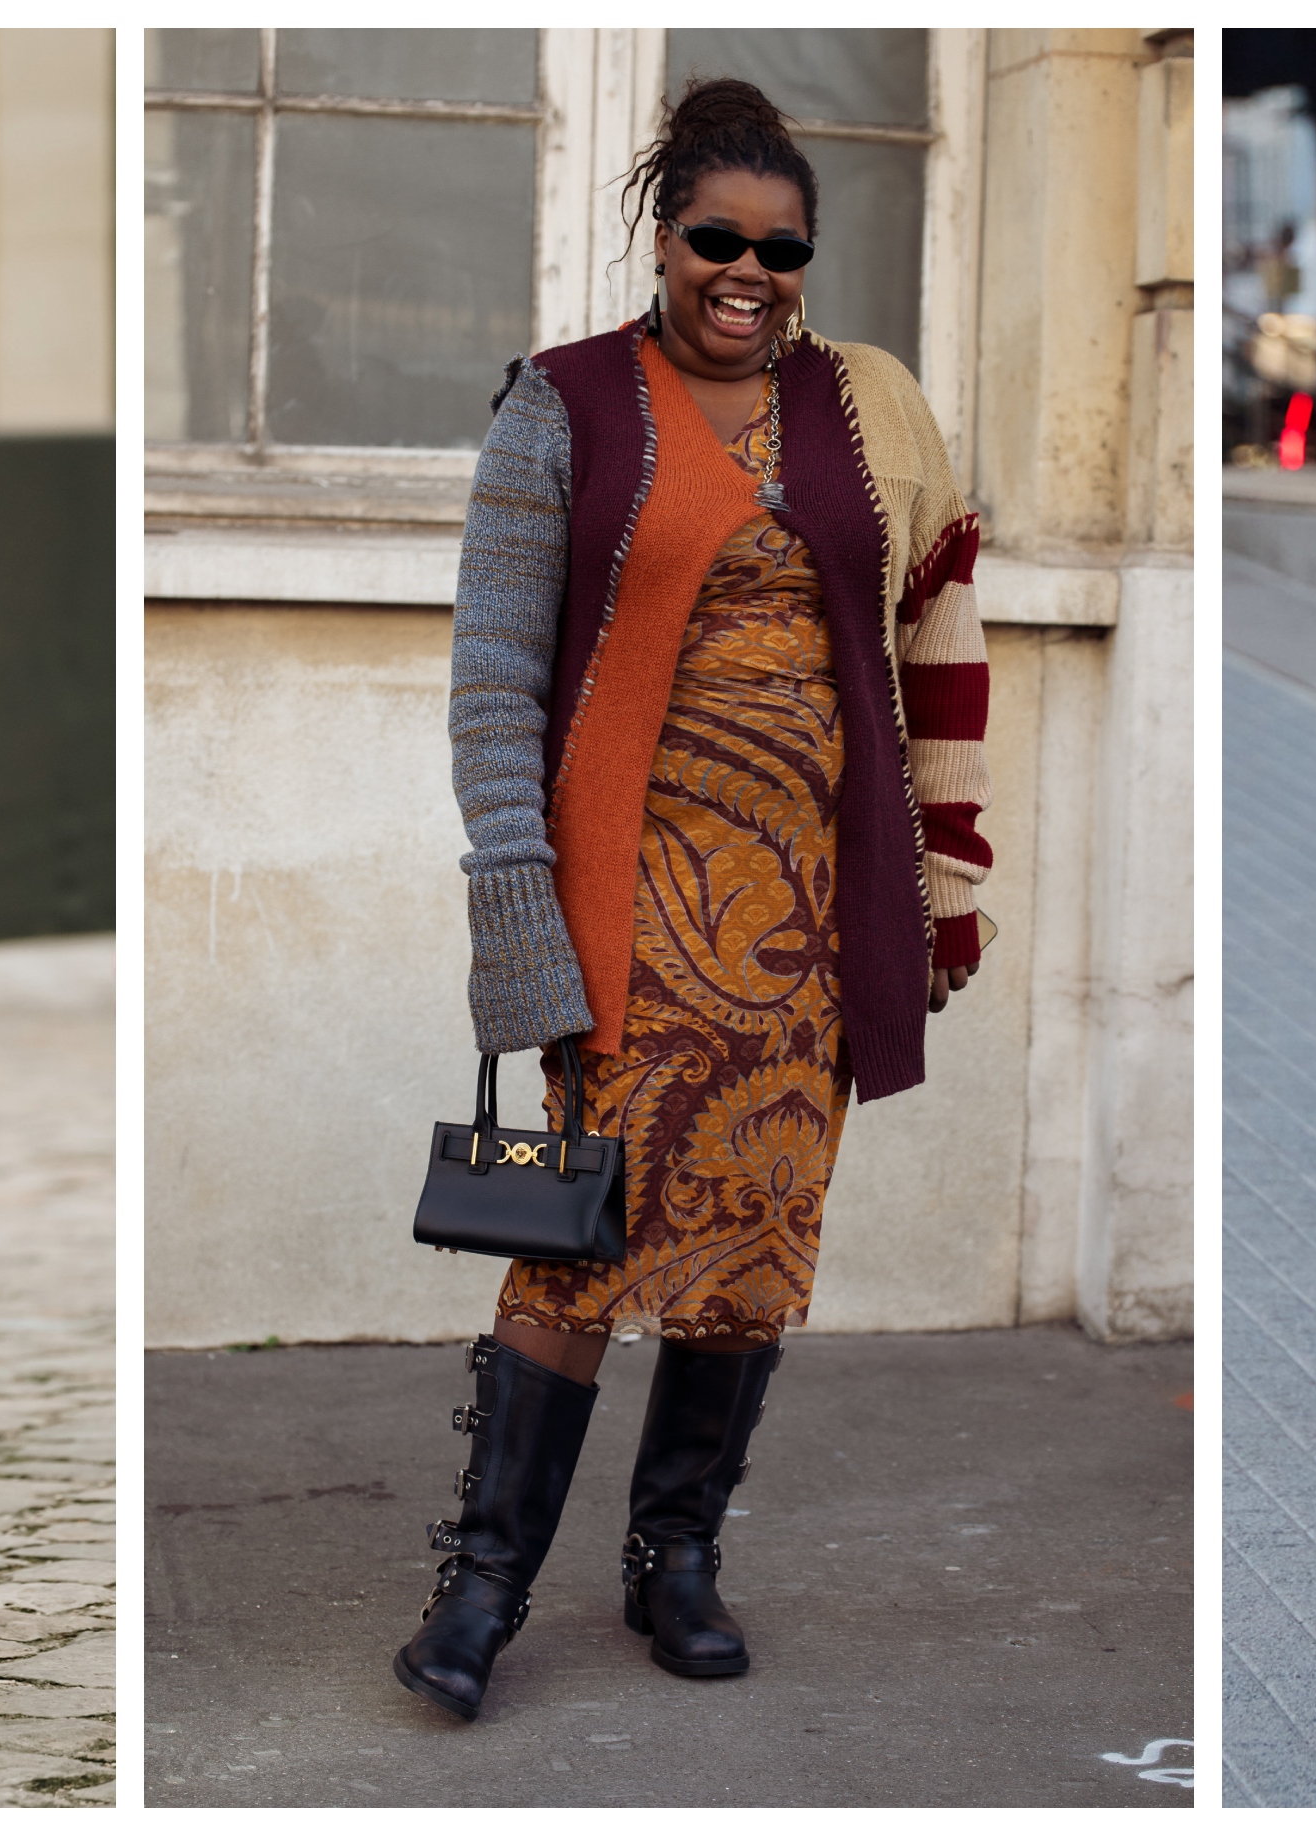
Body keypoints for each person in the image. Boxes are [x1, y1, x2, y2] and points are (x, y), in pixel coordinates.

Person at [399, 76, 995, 1723]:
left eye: (778, 247)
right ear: (662, 240)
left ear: (807, 254)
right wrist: (513, 924)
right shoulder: (564, 406)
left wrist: (947, 882)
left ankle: (674, 1561)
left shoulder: (868, 409)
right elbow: (489, 686)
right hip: (620, 914)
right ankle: (480, 1587)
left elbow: (939, 630)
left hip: (809, 915)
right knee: (576, 1244)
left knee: (751, 1236)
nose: (746, 272)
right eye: (714, 240)